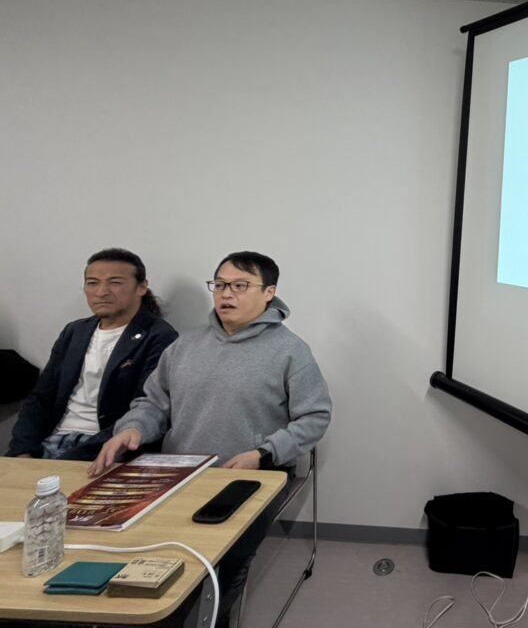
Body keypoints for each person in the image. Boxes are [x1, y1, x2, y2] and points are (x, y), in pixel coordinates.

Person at [91, 250, 332, 621]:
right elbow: (153, 403)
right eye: (219, 285)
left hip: (251, 476)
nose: (226, 294)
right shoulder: (185, 345)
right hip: (180, 471)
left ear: (269, 293)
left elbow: (314, 417)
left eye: (240, 286)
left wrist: (264, 454)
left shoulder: (290, 351)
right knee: (148, 548)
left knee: (224, 560)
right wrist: (133, 428)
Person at [7, 249, 178, 461]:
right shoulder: (75, 331)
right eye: (92, 283)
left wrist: (68, 460)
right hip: (51, 440)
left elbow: (147, 406)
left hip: (105, 446)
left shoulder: (159, 336)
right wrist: (22, 450)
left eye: (115, 283)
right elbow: (42, 397)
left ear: (142, 287)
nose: (101, 292)